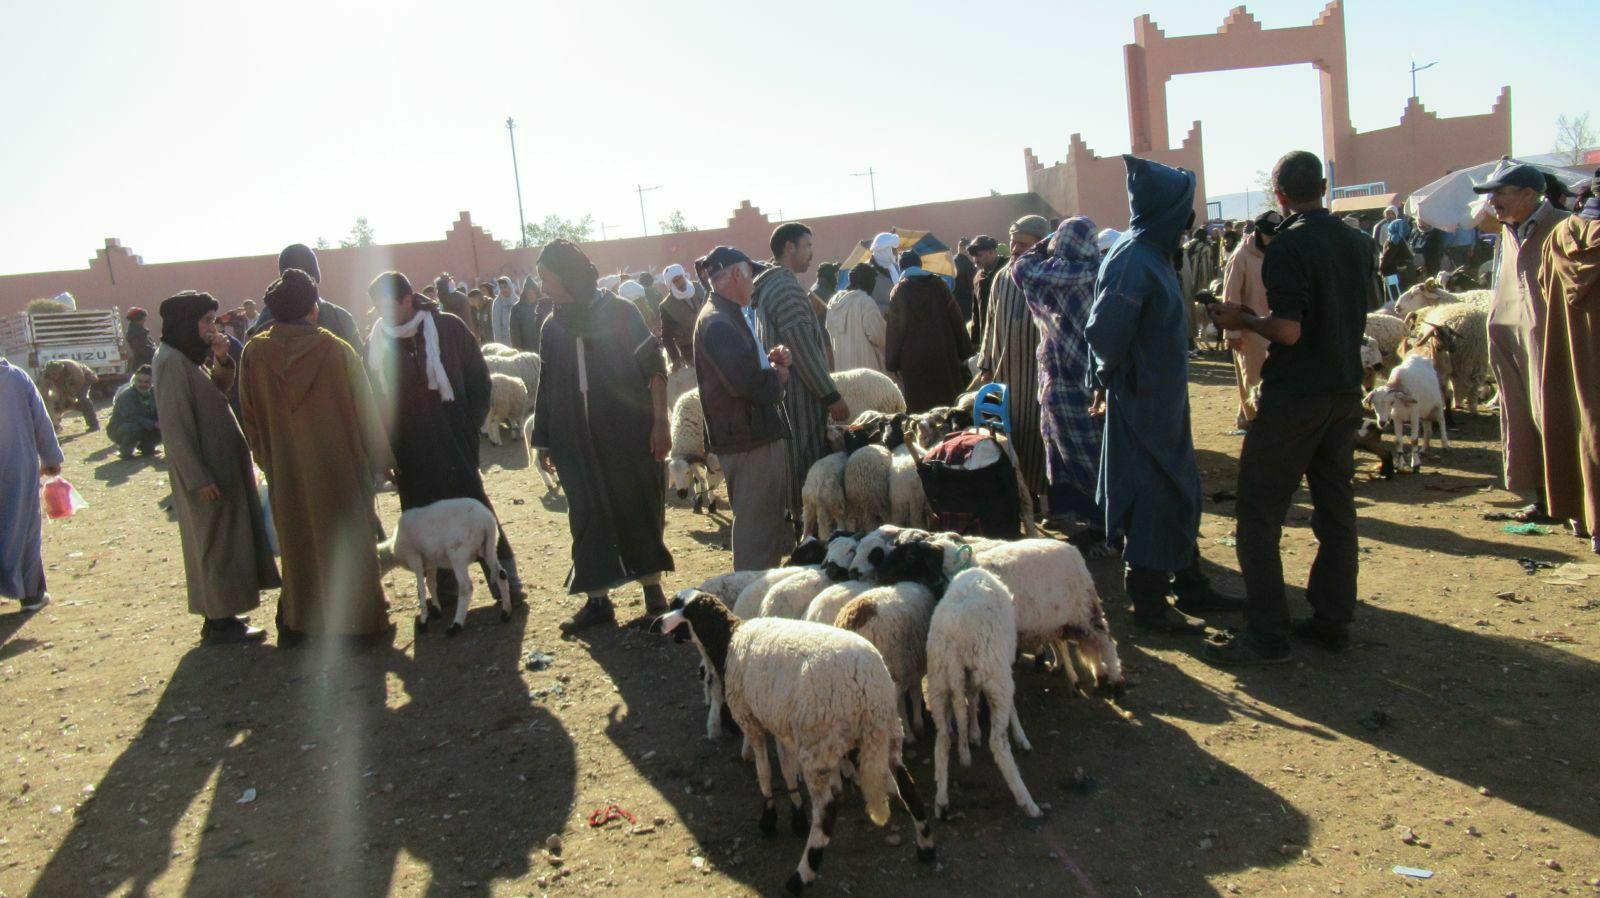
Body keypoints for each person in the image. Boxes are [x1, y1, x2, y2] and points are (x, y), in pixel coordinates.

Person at [1204, 151, 1375, 664]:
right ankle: (1331, 621)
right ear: (1323, 186)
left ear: (1278, 195)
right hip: (1343, 391)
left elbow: (1290, 330)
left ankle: (1266, 636)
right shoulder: (1356, 240)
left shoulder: (1289, 245)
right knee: (1336, 510)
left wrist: (1244, 318)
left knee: (1258, 513)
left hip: (1295, 395)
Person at [1086, 156, 1237, 633]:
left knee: (1179, 488)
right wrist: (1109, 380)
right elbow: (1105, 333)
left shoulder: (1153, 250)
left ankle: (1191, 583)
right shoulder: (1133, 258)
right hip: (1142, 400)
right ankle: (1148, 601)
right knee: (1154, 493)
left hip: (1162, 398)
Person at [527, 240, 674, 632]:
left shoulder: (619, 312)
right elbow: (547, 385)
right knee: (586, 515)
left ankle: (653, 592)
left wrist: (661, 422)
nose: (542, 286)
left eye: (547, 277)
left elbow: (654, 367)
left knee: (637, 506)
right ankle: (598, 600)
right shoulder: (552, 327)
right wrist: (544, 439)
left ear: (568, 275)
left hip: (627, 436)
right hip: (573, 440)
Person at [240, 269, 392, 641]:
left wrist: (271, 461)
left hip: (288, 472)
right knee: (349, 543)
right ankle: (359, 625)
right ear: (313, 308)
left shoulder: (254, 354)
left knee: (298, 545)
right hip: (340, 471)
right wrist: (382, 462)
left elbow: (251, 420)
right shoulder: (336, 350)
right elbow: (366, 414)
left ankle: (302, 625)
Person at [366, 270, 526, 606]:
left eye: (389, 306)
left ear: (408, 300)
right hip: (409, 453)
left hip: (454, 443)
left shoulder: (448, 329)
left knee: (475, 511)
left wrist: (469, 427)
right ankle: (445, 596)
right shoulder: (376, 344)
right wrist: (386, 454)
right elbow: (374, 403)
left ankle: (506, 584)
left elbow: (480, 380)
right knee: (423, 524)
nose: (384, 314)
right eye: (378, 308)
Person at [152, 291, 280, 644]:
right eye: (206, 320)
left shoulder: (187, 358)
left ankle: (226, 613)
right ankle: (219, 621)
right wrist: (198, 476)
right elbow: (176, 428)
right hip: (207, 474)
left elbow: (216, 392)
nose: (212, 327)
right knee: (214, 543)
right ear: (186, 323)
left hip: (221, 468)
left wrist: (222, 359)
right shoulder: (170, 362)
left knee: (227, 540)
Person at [1477, 163, 1572, 522]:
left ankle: (1573, 501)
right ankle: (1544, 498)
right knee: (1523, 417)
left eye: (1501, 193)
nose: (1493, 201)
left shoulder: (1564, 227)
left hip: (1554, 344)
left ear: (1529, 195)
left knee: (1560, 418)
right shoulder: (1508, 231)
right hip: (1513, 344)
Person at [693, 246, 794, 570]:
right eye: (750, 275)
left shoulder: (727, 315)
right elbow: (745, 384)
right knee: (756, 532)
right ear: (736, 274)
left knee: (764, 527)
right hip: (748, 439)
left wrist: (770, 360)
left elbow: (744, 368)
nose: (754, 284)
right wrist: (778, 377)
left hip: (750, 434)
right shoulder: (719, 322)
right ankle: (751, 610)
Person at [1011, 217, 1107, 548]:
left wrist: (1043, 243)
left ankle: (1097, 524)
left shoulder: (1044, 275)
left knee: (1072, 457)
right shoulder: (1103, 273)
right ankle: (1110, 525)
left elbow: (1020, 267)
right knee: (1100, 456)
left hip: (1059, 383)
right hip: (1097, 383)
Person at [754, 222, 850, 525]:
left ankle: (800, 524)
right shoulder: (784, 288)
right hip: (800, 396)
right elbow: (801, 346)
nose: (812, 252)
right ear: (789, 248)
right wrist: (830, 394)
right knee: (807, 464)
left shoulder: (769, 285)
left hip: (786, 392)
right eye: (807, 245)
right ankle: (807, 531)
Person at [1539, 174, 1600, 554]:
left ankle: (1586, 517)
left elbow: (1548, 288)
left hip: (1573, 355)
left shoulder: (1560, 235)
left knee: (1584, 423)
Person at [979, 215, 1051, 508]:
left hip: (1040, 376)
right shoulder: (1002, 277)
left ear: (1041, 243)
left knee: (1042, 439)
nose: (1015, 248)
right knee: (1013, 437)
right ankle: (1026, 499)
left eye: (1022, 243)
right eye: (1013, 243)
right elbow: (989, 324)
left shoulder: (1050, 273)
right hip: (1006, 373)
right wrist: (985, 365)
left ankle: (1050, 501)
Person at [0, 358, 62, 614]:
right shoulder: (16, 377)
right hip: (18, 466)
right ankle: (32, 595)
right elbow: (40, 419)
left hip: (19, 465)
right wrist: (51, 458)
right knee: (24, 528)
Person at [1221, 211, 1283, 430]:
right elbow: (1230, 297)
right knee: (1253, 378)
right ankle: (1257, 423)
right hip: (1250, 330)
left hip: (1276, 327)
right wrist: (1232, 333)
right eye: (1268, 235)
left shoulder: (1278, 252)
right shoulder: (1241, 257)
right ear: (1258, 232)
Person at [885, 253, 971, 411]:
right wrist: (965, 351)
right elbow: (956, 319)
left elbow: (895, 329)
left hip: (914, 361)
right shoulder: (940, 286)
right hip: (944, 355)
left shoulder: (899, 290)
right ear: (920, 265)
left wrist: (892, 362)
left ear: (901, 267)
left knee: (921, 410)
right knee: (949, 406)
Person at [247, 243, 365, 354]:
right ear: (316, 277)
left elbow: (251, 367)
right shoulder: (339, 317)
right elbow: (359, 366)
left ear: (283, 279)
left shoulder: (266, 319)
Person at [826, 263, 887, 374]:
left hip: (843, 373)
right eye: (872, 280)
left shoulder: (833, 302)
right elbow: (879, 336)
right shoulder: (865, 302)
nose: (873, 284)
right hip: (867, 373)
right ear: (866, 281)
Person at [658, 263, 706, 370]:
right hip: (689, 350)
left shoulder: (697, 287)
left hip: (709, 341)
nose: (680, 282)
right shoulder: (667, 306)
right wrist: (676, 359)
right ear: (670, 285)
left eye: (680, 278)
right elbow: (667, 337)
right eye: (675, 281)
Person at [106, 365, 161, 459]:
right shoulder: (126, 396)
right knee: (134, 428)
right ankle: (125, 452)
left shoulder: (155, 393)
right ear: (135, 380)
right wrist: (153, 424)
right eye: (139, 381)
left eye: (147, 382)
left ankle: (147, 448)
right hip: (120, 429)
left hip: (144, 426)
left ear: (152, 382)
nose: (142, 384)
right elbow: (130, 417)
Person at [968, 234, 1002, 344]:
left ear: (992, 251)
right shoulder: (978, 278)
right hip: (986, 338)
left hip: (1004, 335)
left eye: (979, 255)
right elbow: (976, 312)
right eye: (973, 256)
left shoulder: (1007, 270)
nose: (975, 260)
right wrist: (975, 340)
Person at [508, 276, 546, 352]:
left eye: (534, 293)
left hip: (541, 346)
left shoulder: (542, 307)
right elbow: (514, 330)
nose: (531, 295)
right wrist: (517, 347)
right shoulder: (517, 309)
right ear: (525, 293)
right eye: (529, 293)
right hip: (524, 348)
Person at [865, 232, 900, 313]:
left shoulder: (896, 268)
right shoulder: (865, 271)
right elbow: (864, 304)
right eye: (893, 250)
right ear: (884, 250)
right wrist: (888, 309)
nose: (896, 253)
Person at [951, 237, 977, 323]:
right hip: (966, 302)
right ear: (966, 248)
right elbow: (972, 285)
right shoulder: (968, 264)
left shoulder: (951, 261)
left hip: (952, 300)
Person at [125, 308, 156, 372]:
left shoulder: (141, 332)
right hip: (142, 366)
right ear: (139, 319)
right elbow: (142, 349)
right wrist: (157, 352)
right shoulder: (134, 333)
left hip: (147, 363)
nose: (145, 320)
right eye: (144, 318)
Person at [491, 275, 517, 345]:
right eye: (501, 288)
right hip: (504, 342)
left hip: (517, 340)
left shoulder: (517, 301)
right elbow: (496, 326)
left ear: (510, 287)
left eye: (505, 287)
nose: (503, 290)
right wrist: (498, 345)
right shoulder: (497, 303)